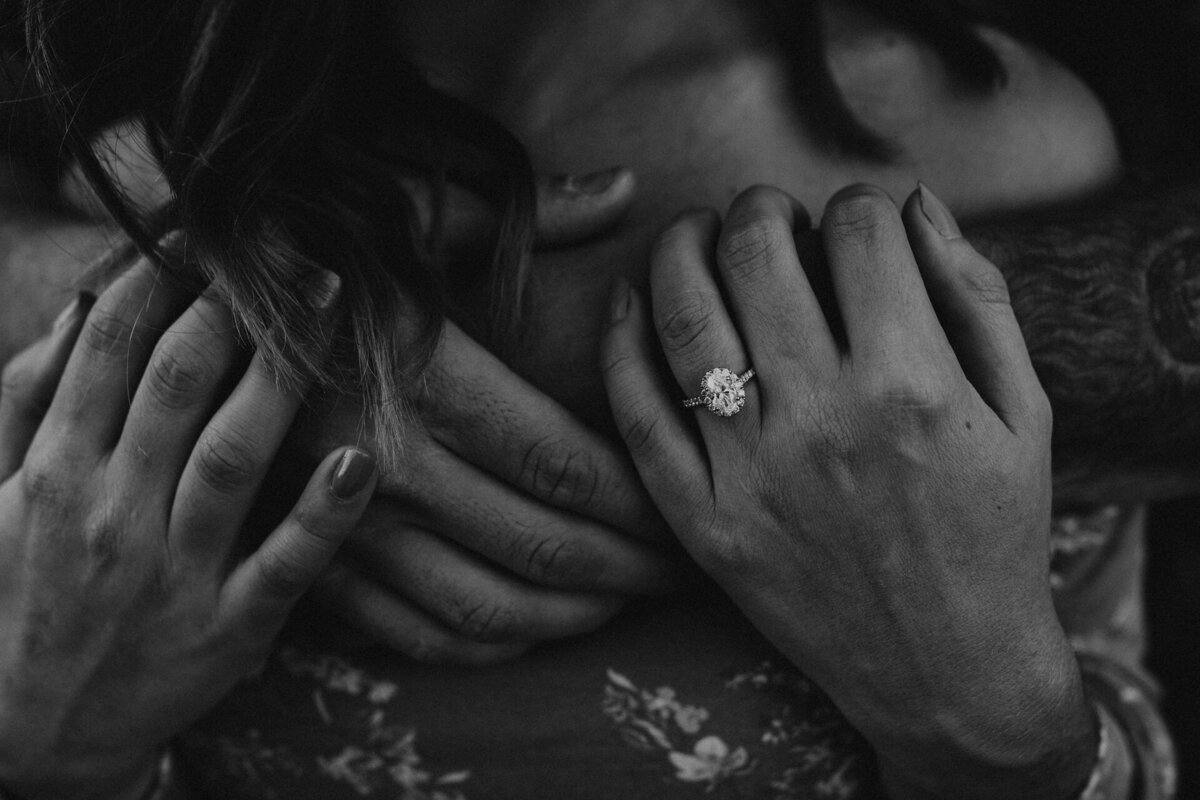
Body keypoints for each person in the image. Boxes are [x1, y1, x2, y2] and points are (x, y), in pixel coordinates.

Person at [0, 0, 1196, 797]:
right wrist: (51, 747)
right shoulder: (101, 164)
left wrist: (1001, 733)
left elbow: (1111, 707)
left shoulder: (989, 149)